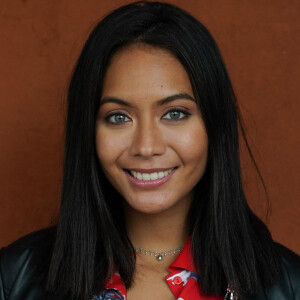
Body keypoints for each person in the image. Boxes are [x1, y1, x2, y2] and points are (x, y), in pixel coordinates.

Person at [0, 1, 299, 300]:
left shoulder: (290, 284)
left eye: (175, 113)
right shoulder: (12, 279)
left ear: (214, 124)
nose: (146, 147)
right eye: (118, 117)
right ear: (88, 132)